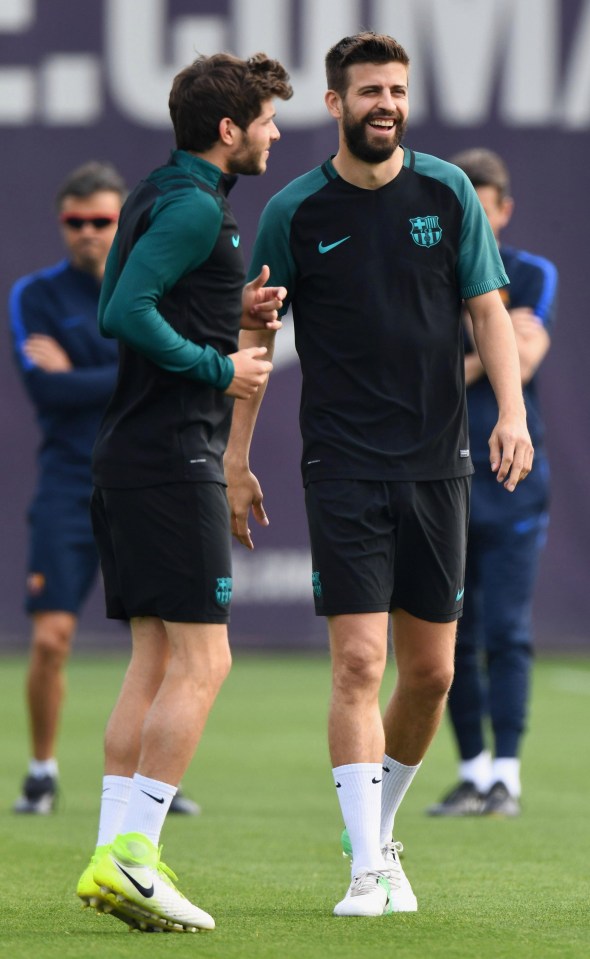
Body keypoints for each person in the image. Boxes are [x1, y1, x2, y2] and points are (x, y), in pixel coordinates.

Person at [223, 32, 533, 918]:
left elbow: (488, 310)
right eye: (368, 91)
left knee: (430, 673)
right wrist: (236, 456)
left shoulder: (447, 193)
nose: (385, 103)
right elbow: (256, 336)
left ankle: (379, 832)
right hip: (344, 464)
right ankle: (366, 867)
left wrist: (509, 413)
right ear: (335, 105)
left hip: (440, 462)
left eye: (396, 89)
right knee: (360, 660)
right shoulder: (293, 211)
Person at [75, 52, 292, 933]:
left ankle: (109, 855)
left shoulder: (163, 191)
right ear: (229, 130)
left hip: (135, 456)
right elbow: (121, 310)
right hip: (173, 459)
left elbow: (155, 294)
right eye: (267, 120)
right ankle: (137, 855)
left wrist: (226, 308)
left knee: (157, 660)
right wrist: (221, 363)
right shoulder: (199, 206)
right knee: (207, 660)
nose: (276, 134)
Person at [9, 162, 200, 818]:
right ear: (63, 224)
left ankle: (154, 777)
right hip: (69, 481)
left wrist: (93, 368)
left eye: (102, 221)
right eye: (76, 222)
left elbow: (176, 371)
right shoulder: (35, 295)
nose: (89, 233)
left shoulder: (153, 285)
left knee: (161, 641)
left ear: (123, 223)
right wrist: (135, 365)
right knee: (51, 637)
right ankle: (41, 770)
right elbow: (44, 389)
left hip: (142, 477)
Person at [427, 149, 558, 818]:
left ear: (503, 210)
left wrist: (470, 353)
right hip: (444, 475)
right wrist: (494, 342)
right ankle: (473, 771)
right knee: (451, 633)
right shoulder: (431, 276)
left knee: (506, 629)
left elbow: (527, 355)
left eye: (486, 206)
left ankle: (506, 772)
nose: (475, 219)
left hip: (512, 481)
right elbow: (433, 369)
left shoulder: (531, 272)